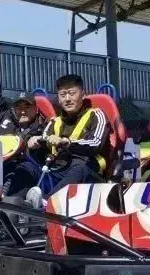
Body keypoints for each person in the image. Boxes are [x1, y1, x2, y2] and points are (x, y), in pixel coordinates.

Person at [10, 73, 109, 209]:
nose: (67, 99)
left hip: (87, 171)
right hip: (57, 171)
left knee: (80, 168)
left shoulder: (96, 115)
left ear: (83, 95)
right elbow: (44, 140)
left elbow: (95, 143)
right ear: (58, 99)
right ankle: (14, 204)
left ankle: (46, 204)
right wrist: (35, 143)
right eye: (63, 95)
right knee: (26, 167)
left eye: (72, 93)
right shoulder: (54, 122)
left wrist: (68, 143)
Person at [0, 42, 50, 195]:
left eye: (27, 107)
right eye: (19, 107)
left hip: (30, 171)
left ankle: (5, 196)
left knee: (22, 170)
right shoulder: (2, 118)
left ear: (35, 108)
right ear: (13, 109)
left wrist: (37, 142)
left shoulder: (44, 126)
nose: (23, 111)